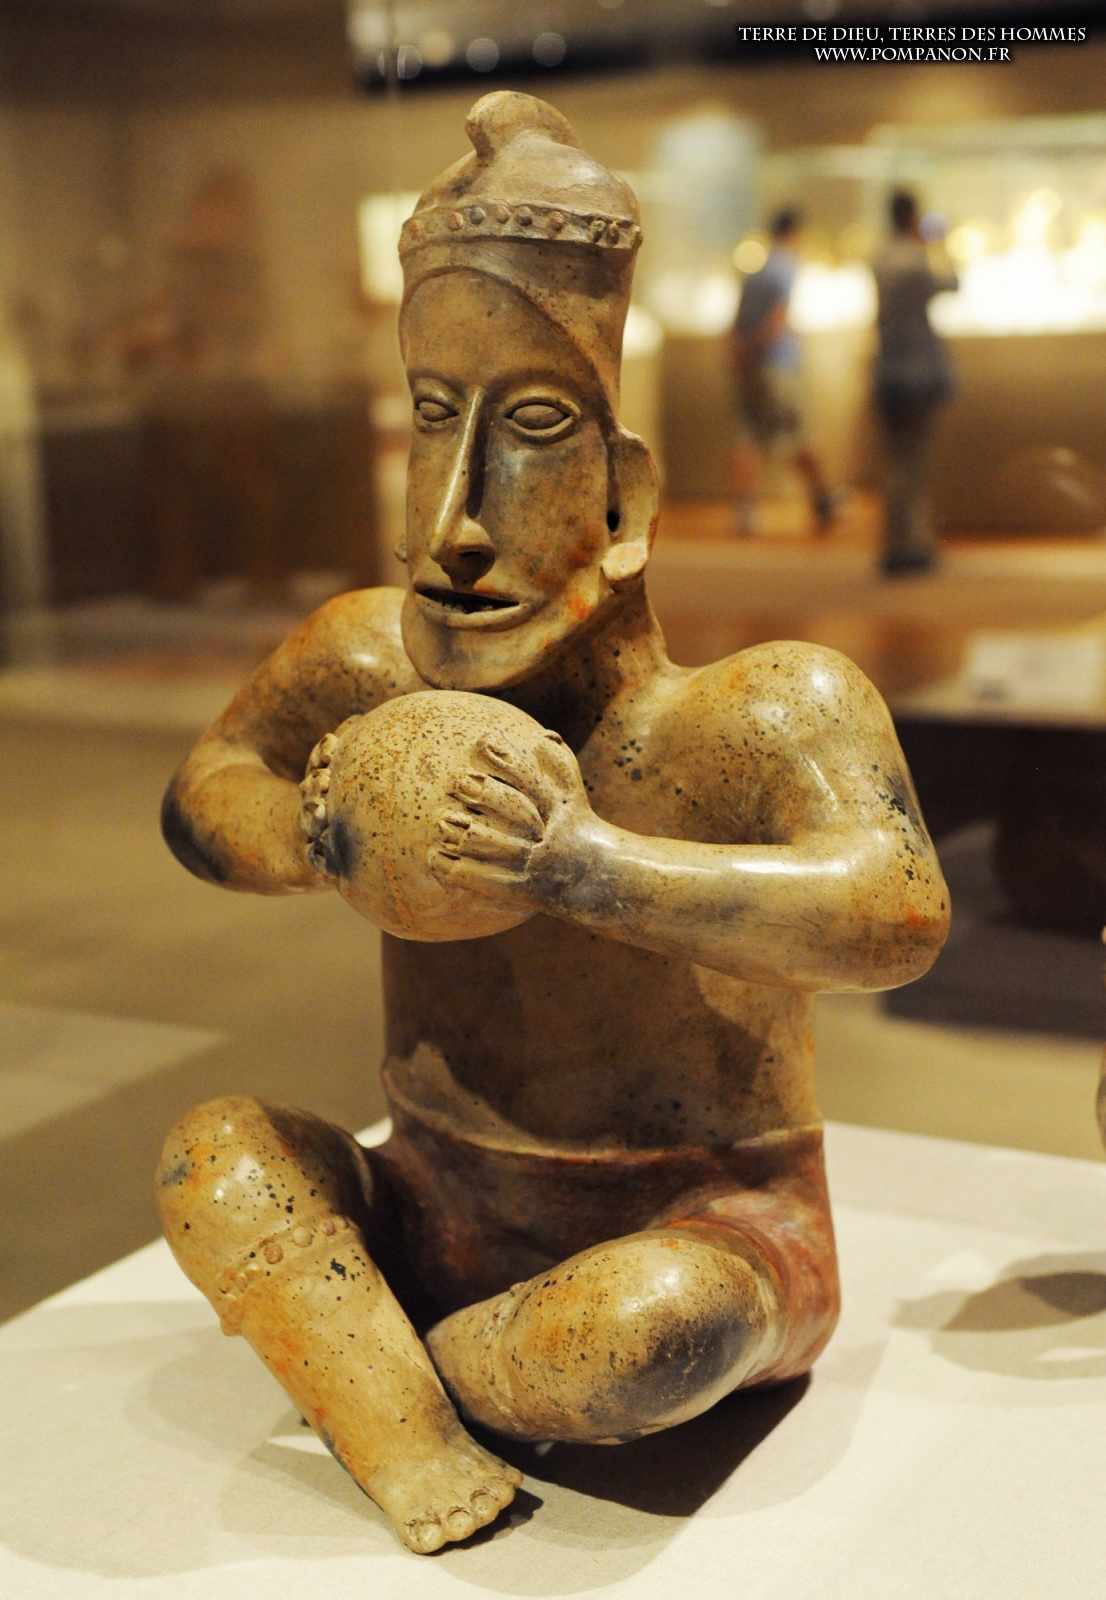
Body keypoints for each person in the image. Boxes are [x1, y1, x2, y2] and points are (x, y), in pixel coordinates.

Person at [156, 93, 948, 1556]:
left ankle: (376, 1370)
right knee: (219, 1157)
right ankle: (410, 1417)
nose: (455, 521)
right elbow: (209, 787)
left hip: (708, 1225)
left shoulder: (764, 709)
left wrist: (587, 868)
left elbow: (892, 908)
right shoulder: (365, 665)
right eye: (432, 420)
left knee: (642, 1332)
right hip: (430, 1196)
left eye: (529, 428)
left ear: (625, 493)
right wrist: (319, 834)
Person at [731, 207, 837, 536]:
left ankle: (746, 513)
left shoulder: (755, 271)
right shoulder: (785, 267)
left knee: (748, 436)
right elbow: (778, 317)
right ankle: (823, 500)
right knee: (797, 433)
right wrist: (761, 345)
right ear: (795, 233)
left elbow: (736, 322)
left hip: (751, 365)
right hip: (777, 364)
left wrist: (742, 354)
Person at [871, 189, 958, 577]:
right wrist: (937, 244)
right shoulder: (917, 260)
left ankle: (896, 542)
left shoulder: (879, 257)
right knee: (915, 461)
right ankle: (914, 544)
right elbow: (952, 283)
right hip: (918, 372)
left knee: (895, 460)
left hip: (888, 370)